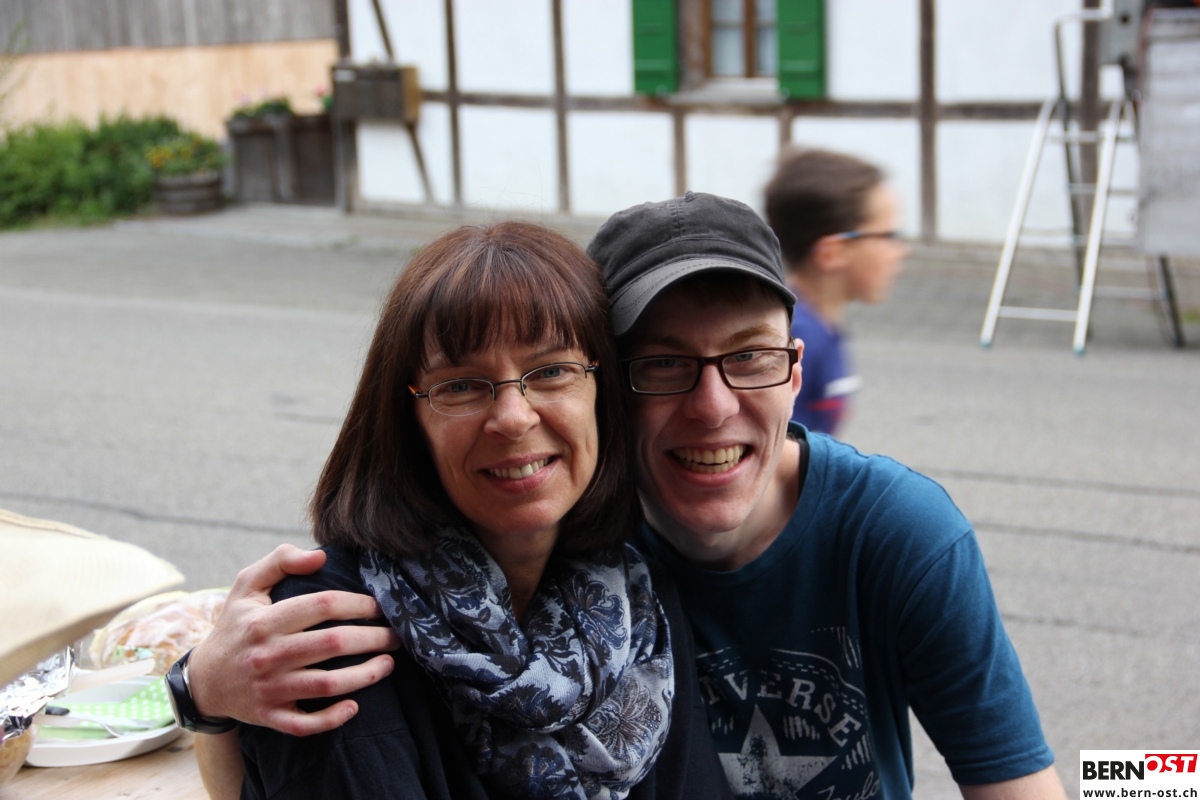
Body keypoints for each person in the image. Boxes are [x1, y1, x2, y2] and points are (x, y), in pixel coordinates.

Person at [179, 195, 1066, 799]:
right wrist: (202, 695)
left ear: (797, 370)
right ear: (616, 392)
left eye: (750, 356)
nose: (712, 405)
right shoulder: (377, 612)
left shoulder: (624, 593)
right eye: (665, 365)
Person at [179, 221, 730, 799]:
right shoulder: (330, 631)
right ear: (408, 422)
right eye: (461, 386)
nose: (513, 417)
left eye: (551, 372)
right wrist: (198, 690)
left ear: (602, 393)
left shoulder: (636, 601)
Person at [763, 147, 908, 435]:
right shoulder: (797, 339)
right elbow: (773, 451)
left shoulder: (821, 325)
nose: (901, 251)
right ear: (832, 252)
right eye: (888, 236)